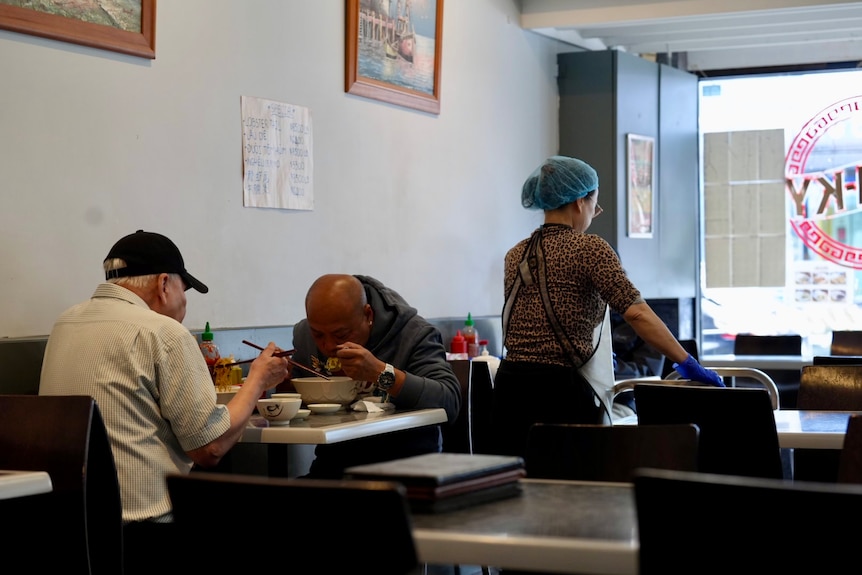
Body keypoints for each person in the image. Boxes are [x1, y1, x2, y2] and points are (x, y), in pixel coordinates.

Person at [39, 230, 290, 575]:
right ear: (163, 284)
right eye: (185, 291)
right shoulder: (162, 332)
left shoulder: (64, 323)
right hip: (146, 535)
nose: (185, 303)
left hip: (68, 529)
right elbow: (210, 447)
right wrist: (259, 379)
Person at [491, 156, 723, 459]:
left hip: (510, 390)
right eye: (594, 205)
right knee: (573, 491)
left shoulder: (516, 254)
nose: (592, 214)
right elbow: (636, 312)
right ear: (578, 203)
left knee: (520, 487)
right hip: (560, 392)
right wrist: (687, 362)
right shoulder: (590, 249)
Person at [289, 274, 461, 478]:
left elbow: (450, 402)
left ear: (368, 315)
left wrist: (381, 372)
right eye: (318, 335)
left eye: (341, 335)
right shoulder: (304, 334)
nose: (328, 346)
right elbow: (296, 403)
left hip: (409, 470)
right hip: (334, 468)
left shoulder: (413, 334)